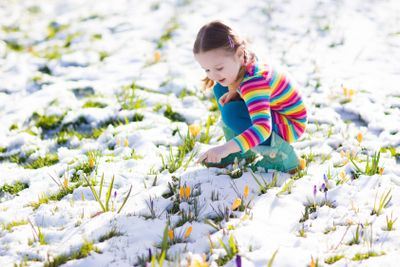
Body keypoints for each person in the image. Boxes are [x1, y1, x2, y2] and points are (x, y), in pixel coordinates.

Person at [193, 20, 307, 173]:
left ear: (239, 54)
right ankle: (241, 151)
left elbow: (262, 128)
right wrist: (234, 92)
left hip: (290, 124)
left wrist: (224, 149)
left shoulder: (254, 82)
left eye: (219, 68)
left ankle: (283, 157)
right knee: (221, 87)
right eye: (206, 69)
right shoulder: (244, 61)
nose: (212, 75)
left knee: (232, 114)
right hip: (275, 113)